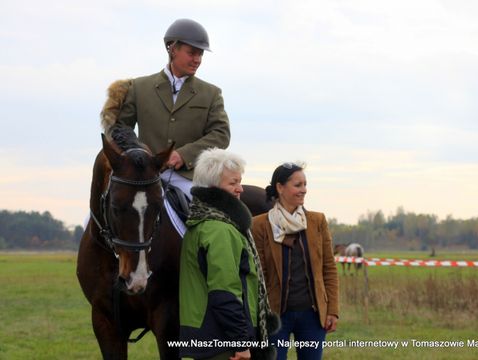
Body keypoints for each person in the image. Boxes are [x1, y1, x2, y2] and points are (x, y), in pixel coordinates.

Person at [111, 18, 230, 202]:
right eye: (192, 53)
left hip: (187, 177)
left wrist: (183, 155)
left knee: (206, 220)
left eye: (200, 55)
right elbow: (119, 129)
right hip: (142, 176)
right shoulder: (139, 87)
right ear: (172, 49)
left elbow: (221, 134)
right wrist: (139, 154)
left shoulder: (211, 93)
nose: (197, 60)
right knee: (93, 221)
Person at [179, 148, 279, 360]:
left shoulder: (201, 223)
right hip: (222, 343)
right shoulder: (220, 231)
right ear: (213, 188)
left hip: (207, 338)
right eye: (232, 183)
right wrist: (241, 344)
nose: (240, 189)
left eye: (239, 182)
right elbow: (224, 293)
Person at [251, 162, 339, 360]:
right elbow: (259, 274)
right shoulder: (259, 225)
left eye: (305, 185)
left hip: (312, 316)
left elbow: (329, 269)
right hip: (276, 316)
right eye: (298, 185)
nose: (304, 190)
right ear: (280, 187)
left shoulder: (317, 221)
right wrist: (261, 315)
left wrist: (332, 310)